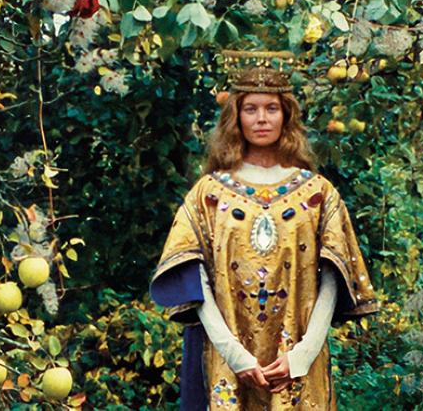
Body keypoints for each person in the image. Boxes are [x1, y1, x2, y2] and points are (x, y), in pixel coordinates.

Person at [150, 50, 378, 410]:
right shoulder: (208, 194)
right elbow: (196, 281)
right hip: (226, 360)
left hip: (298, 361)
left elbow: (333, 278)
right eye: (250, 108)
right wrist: (233, 354)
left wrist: (302, 356)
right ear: (235, 116)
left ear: (286, 114)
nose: (261, 118)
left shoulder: (318, 193)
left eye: (271, 108)